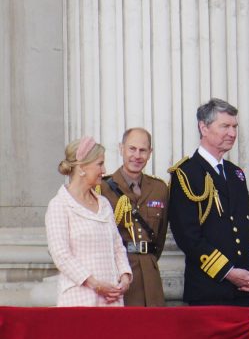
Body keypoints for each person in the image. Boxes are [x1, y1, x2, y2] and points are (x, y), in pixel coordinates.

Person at [168, 98, 249, 306]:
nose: (232, 133)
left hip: (244, 291)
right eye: (225, 126)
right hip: (209, 291)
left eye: (234, 127)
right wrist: (228, 272)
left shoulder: (235, 173)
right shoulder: (186, 173)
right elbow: (187, 236)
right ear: (203, 128)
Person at [45, 136, 132, 306]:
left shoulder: (104, 203)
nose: (104, 170)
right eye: (100, 164)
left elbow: (117, 246)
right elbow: (61, 255)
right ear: (83, 167)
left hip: (111, 299)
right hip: (80, 300)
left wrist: (125, 276)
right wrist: (95, 284)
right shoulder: (59, 205)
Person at [98, 127, 169, 306]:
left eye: (143, 150)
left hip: (150, 274)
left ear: (150, 153)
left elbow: (159, 238)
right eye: (132, 149)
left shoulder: (159, 189)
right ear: (121, 148)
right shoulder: (102, 188)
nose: (137, 156)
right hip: (118, 275)